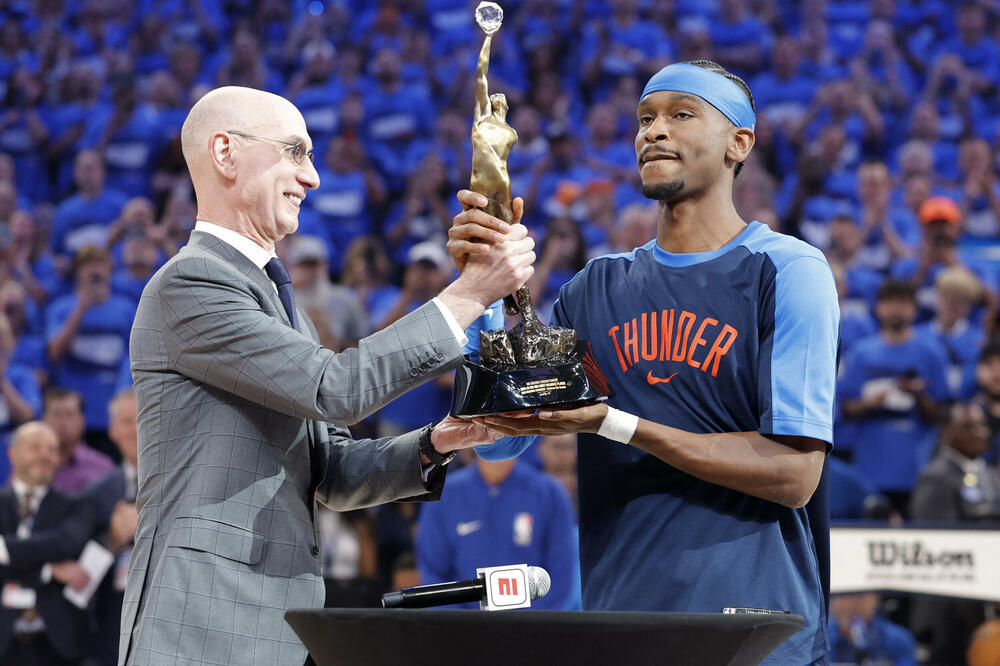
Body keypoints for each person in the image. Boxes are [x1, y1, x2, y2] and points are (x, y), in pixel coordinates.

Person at [120, 86, 534, 666]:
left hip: (278, 629)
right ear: (225, 153)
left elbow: (332, 473)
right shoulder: (191, 284)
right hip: (202, 625)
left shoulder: (279, 303)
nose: (311, 177)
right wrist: (468, 296)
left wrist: (437, 442)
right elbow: (335, 389)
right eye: (294, 151)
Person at [448, 61, 838, 664]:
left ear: (739, 143)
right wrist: (483, 292)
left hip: (756, 632)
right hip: (622, 626)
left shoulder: (787, 271)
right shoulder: (593, 288)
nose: (654, 131)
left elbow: (794, 474)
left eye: (682, 114)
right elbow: (499, 441)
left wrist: (615, 424)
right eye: (645, 118)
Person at [838, 280, 951, 513]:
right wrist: (870, 403)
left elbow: (943, 413)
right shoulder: (861, 353)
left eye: (903, 303)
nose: (896, 309)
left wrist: (919, 396)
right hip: (869, 465)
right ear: (878, 308)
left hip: (916, 466)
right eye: (889, 302)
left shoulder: (931, 353)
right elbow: (844, 408)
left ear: (915, 309)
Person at [416, 456, 578, 610]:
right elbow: (433, 573)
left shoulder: (549, 493)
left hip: (531, 625)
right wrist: (462, 623)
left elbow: (561, 574)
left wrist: (525, 624)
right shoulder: (445, 495)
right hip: (462, 625)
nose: (495, 441)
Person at [0, 422, 100, 666]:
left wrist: (4, 549)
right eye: (35, 447)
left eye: (52, 449)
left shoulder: (77, 506)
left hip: (59, 645)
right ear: (12, 453)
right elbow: (54, 549)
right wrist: (50, 570)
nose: (44, 455)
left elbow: (66, 543)